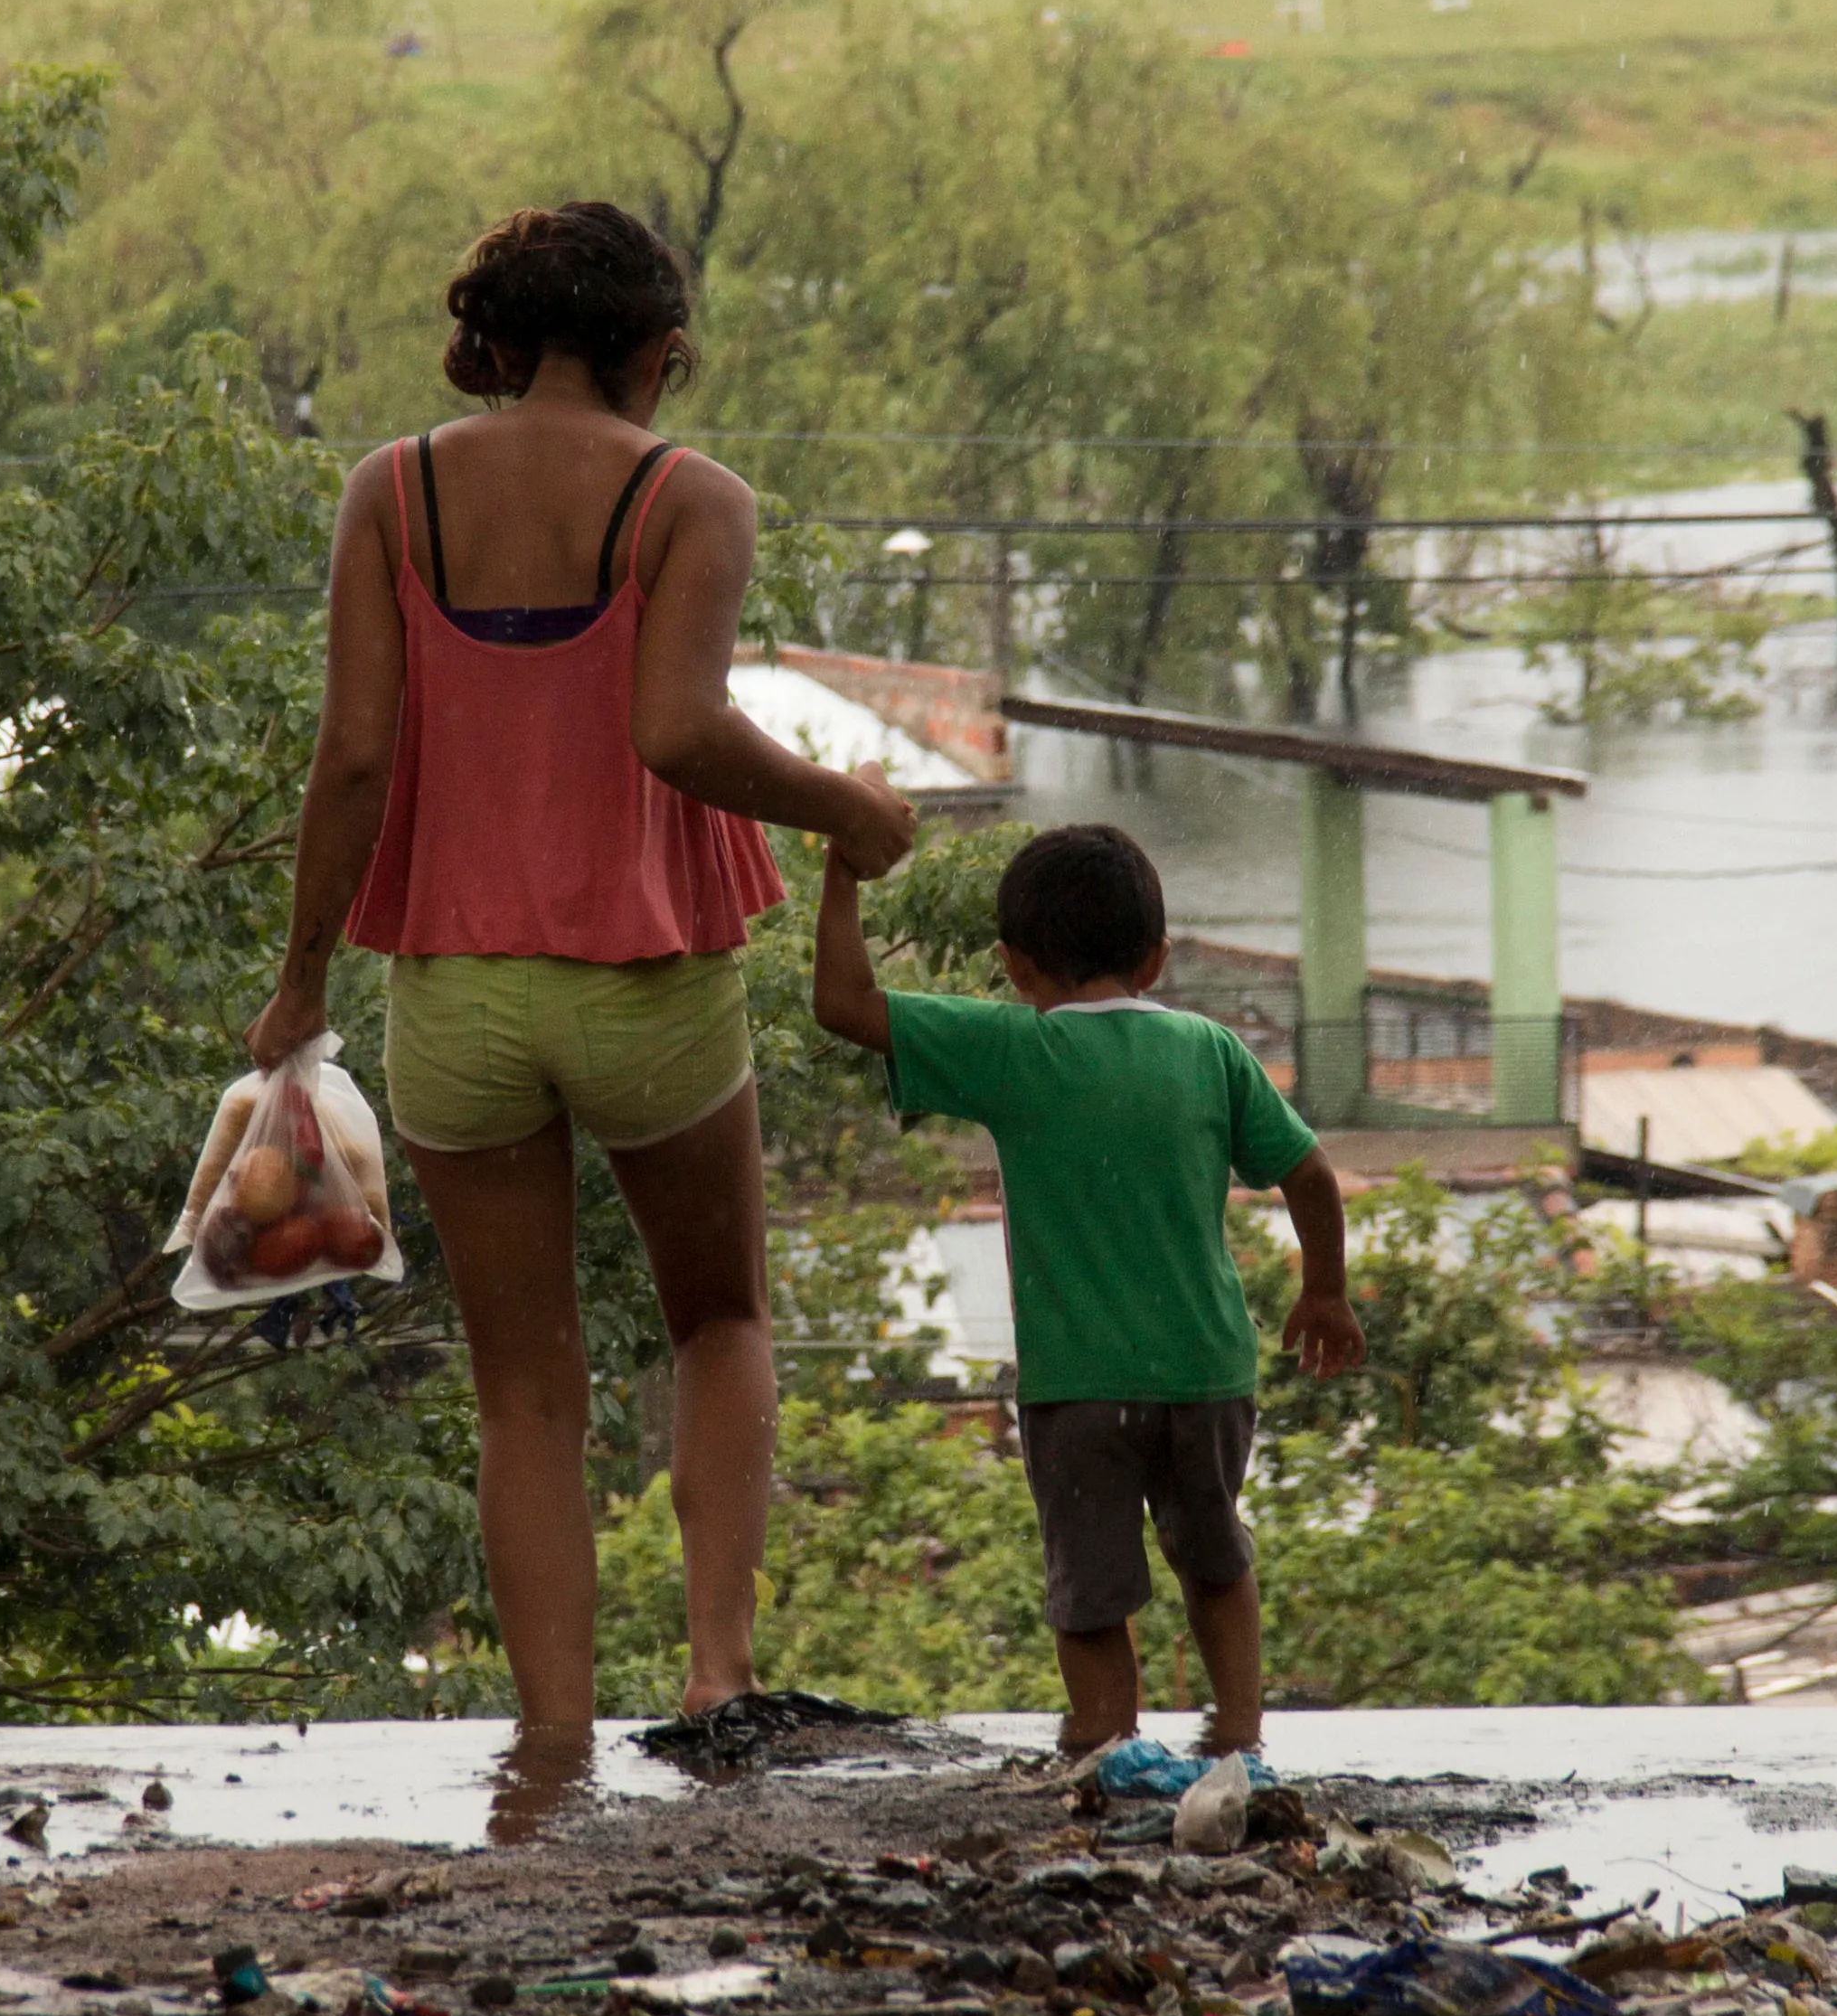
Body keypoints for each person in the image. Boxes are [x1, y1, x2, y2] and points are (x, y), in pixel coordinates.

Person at [249, 201, 920, 1755]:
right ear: (657, 355)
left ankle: (552, 1742)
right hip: (649, 979)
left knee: (522, 1391)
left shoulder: (390, 491)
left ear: (499, 342)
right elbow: (676, 731)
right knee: (719, 1316)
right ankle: (714, 1674)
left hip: (457, 998)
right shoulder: (693, 499)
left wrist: (299, 980)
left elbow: (351, 757)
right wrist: (850, 805)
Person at [807, 819, 1363, 1758]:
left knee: (1091, 1591)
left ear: (1014, 965)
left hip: (1077, 1389)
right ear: (1152, 957)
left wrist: (840, 868)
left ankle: (1107, 1743)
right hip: (1206, 1374)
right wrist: (1324, 1293)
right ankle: (1237, 1740)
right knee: (1216, 1560)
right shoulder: (1209, 1049)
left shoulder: (1011, 1049)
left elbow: (841, 1000)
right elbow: (1308, 1174)